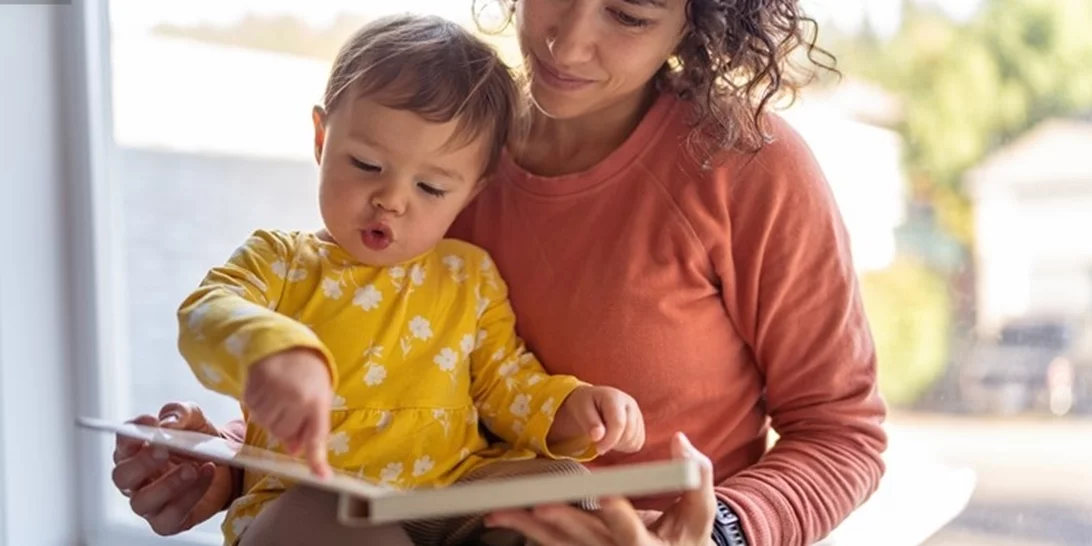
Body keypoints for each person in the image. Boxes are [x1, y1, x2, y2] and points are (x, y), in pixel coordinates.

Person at [111, 0, 888, 545]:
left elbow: (843, 435)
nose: (565, 40)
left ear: (700, 16)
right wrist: (224, 466)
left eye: (629, 13)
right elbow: (372, 365)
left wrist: (716, 533)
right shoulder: (441, 151)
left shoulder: (746, 165)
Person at [135, 13, 648, 546]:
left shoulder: (468, 276)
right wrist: (272, 353)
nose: (392, 200)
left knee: (564, 484)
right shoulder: (281, 261)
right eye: (365, 163)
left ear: (472, 191)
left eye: (430, 187)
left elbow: (506, 384)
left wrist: (570, 411)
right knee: (314, 516)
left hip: (453, 493)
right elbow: (204, 311)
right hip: (319, 497)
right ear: (321, 137)